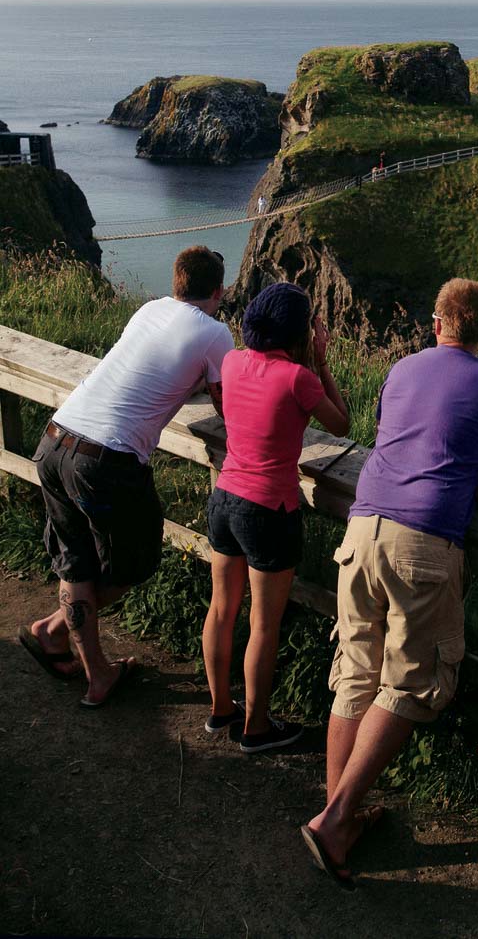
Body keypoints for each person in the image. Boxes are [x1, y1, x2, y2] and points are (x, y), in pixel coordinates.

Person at [301, 277, 478, 887]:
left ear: (436, 322)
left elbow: (386, 438)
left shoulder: (400, 370)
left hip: (362, 526)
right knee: (411, 680)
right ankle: (336, 819)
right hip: (424, 540)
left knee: (356, 666)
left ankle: (335, 813)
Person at [20, 247, 234, 709]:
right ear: (219, 290)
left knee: (76, 560)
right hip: (105, 459)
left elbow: (150, 365)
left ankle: (85, 662)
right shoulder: (216, 333)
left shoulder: (149, 309)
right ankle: (59, 634)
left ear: (177, 282)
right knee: (136, 560)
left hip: (57, 438)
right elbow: (227, 407)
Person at [202, 283, 349, 752]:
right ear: (300, 331)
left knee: (222, 609)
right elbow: (342, 424)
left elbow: (229, 408)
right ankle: (256, 728)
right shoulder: (298, 378)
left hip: (224, 496)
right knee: (263, 624)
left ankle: (221, 708)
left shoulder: (232, 362)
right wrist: (322, 361)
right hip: (270, 508)